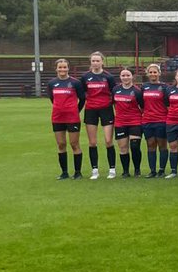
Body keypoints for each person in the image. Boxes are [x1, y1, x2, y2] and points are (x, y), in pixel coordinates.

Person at [81, 51, 118, 180]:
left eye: (98, 61)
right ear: (90, 62)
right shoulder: (85, 77)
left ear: (102, 62)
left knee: (108, 141)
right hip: (91, 110)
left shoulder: (108, 77)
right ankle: (94, 170)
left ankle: (112, 169)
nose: (95, 63)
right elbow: (83, 93)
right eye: (93, 61)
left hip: (106, 110)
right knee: (92, 142)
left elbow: (114, 94)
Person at [47, 58, 85, 179]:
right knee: (61, 144)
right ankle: (64, 173)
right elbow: (52, 99)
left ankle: (78, 172)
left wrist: (75, 110)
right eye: (60, 67)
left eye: (64, 67)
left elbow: (82, 99)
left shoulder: (75, 83)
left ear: (68, 68)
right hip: (57, 118)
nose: (62, 69)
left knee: (74, 144)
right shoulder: (52, 83)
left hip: (72, 118)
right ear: (56, 69)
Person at [111, 68, 144, 178]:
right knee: (123, 147)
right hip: (120, 122)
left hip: (135, 121)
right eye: (123, 75)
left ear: (132, 76)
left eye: (127, 75)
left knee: (134, 146)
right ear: (120, 77)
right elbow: (114, 104)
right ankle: (125, 171)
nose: (125, 77)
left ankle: (137, 170)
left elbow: (142, 107)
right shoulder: (115, 89)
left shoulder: (137, 91)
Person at [141, 63, 169, 178]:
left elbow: (168, 104)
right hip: (147, 120)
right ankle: (152, 171)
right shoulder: (144, 87)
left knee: (162, 144)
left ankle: (161, 170)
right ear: (148, 74)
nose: (153, 74)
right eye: (151, 72)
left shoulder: (164, 87)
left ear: (159, 73)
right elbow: (141, 104)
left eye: (155, 72)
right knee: (150, 144)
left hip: (161, 119)